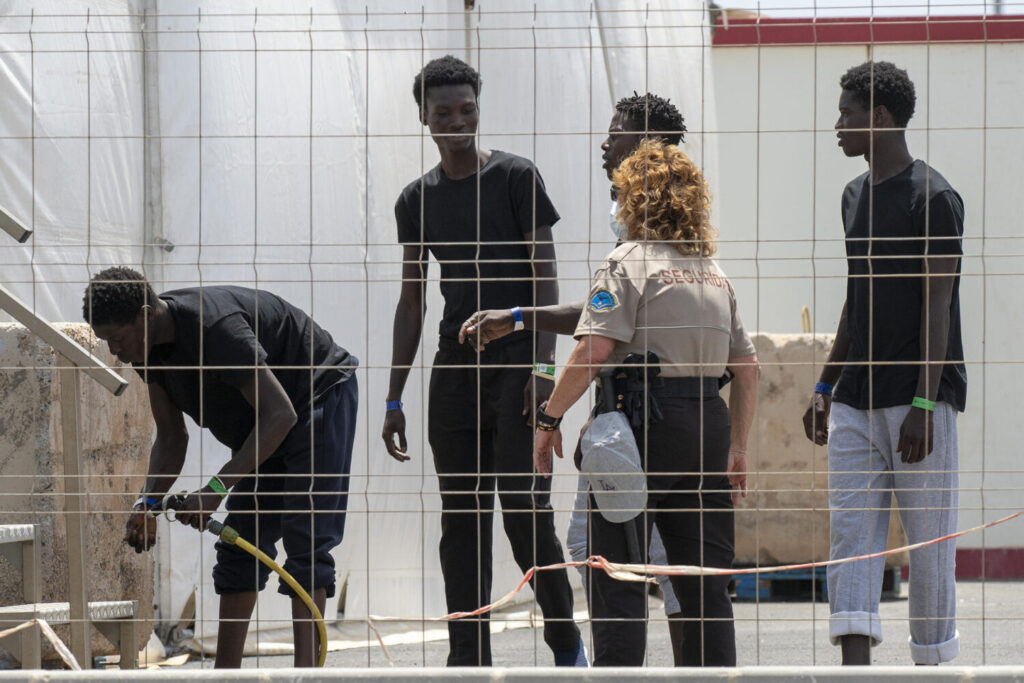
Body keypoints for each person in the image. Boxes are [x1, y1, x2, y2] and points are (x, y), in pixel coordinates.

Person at [461, 92, 701, 664]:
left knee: (650, 562)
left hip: (645, 415)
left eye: (616, 132)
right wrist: (519, 318)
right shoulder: (661, 225)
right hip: (650, 413)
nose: (603, 142)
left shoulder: (651, 234)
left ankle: (659, 668)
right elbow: (604, 313)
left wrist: (549, 408)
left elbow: (597, 333)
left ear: (644, 143)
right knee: (617, 552)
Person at [379, 55, 584, 667]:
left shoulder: (517, 178)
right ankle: (467, 662)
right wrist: (393, 398)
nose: (457, 122)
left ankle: (567, 648)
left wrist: (544, 374)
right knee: (460, 527)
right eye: (443, 112)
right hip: (454, 370)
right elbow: (412, 301)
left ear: (478, 109)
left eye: (467, 110)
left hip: (520, 363)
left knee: (525, 518)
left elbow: (546, 275)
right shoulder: (414, 200)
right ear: (423, 116)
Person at [532, 139, 758, 666]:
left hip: (642, 425)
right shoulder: (712, 272)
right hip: (707, 426)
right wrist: (739, 447)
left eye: (619, 194)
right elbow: (747, 367)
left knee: (618, 574)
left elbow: (593, 349)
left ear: (635, 199)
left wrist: (550, 417)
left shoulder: (627, 261)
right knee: (703, 583)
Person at [83, 267, 358, 668]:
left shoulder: (216, 329)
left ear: (144, 315)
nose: (114, 352)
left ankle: (307, 676)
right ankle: (225, 675)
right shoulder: (149, 350)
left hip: (316, 397)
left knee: (307, 543)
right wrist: (148, 501)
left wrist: (214, 489)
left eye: (117, 338)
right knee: (239, 544)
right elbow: (172, 437)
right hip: (263, 423)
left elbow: (281, 414)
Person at [802, 61, 966, 666]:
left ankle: (934, 663)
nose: (837, 125)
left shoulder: (936, 196)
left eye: (845, 114)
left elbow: (937, 301)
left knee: (929, 547)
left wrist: (924, 403)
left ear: (879, 117)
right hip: (854, 400)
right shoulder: (853, 195)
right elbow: (856, 293)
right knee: (851, 544)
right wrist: (825, 381)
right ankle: (854, 671)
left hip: (919, 401)